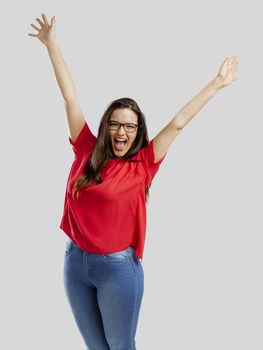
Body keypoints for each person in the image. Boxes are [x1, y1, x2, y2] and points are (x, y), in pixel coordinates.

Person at [28, 13, 239, 350]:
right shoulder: (85, 148)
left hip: (118, 270)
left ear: (138, 132)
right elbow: (70, 97)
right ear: (105, 127)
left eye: (129, 126)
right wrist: (51, 45)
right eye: (115, 124)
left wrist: (216, 83)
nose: (121, 132)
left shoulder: (144, 164)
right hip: (75, 264)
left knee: (121, 346)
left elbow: (179, 122)